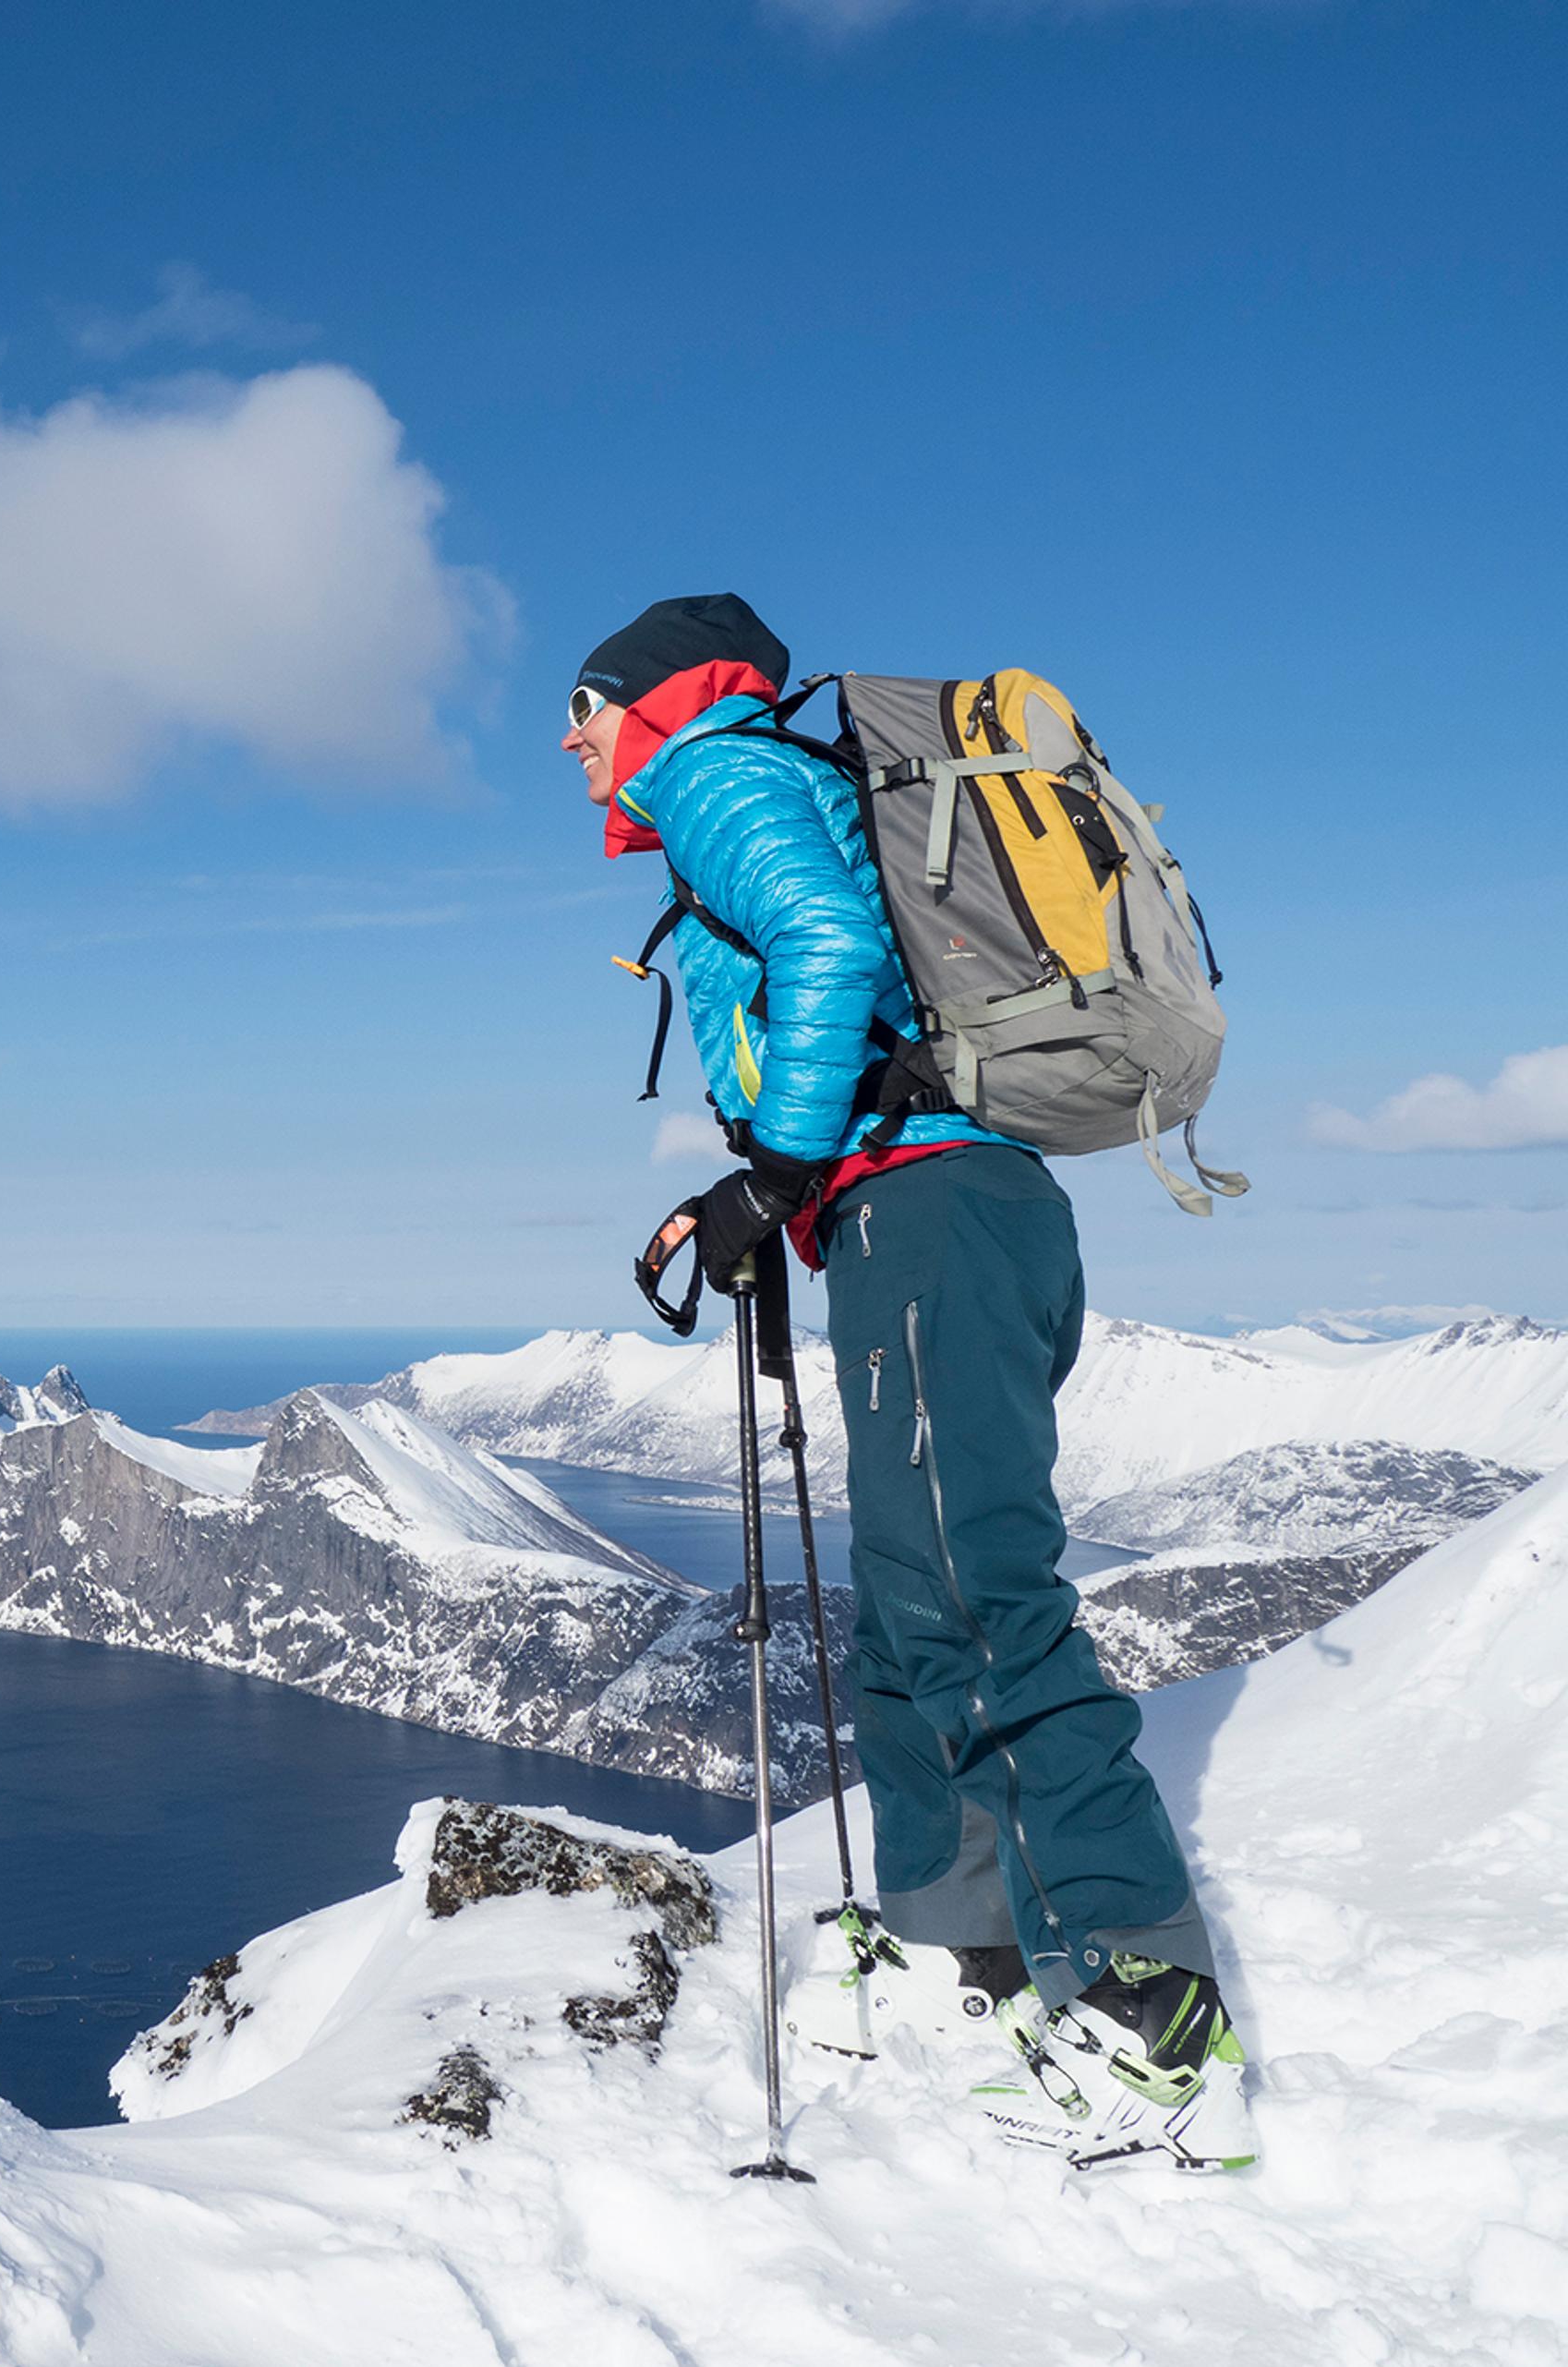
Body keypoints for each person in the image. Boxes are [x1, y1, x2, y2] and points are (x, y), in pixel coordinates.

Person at [565, 593, 1256, 2171]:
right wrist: (757, 1189)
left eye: (588, 705)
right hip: (919, 1214)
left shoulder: (716, 775)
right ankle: (968, 1951)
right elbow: (843, 991)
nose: (572, 740)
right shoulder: (748, 783)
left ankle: (1151, 2009)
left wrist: (785, 1162)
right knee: (915, 1593)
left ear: (662, 696)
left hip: (929, 1210)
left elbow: (827, 941)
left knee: (976, 1587)